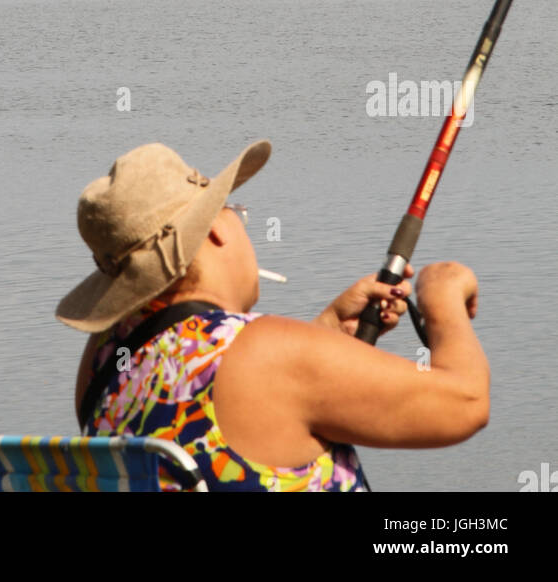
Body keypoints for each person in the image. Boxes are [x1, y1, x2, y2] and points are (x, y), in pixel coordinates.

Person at [55, 139, 489, 492]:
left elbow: (232, 405)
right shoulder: (266, 354)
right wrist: (442, 296)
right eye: (235, 211)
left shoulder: (102, 363)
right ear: (216, 231)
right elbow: (466, 403)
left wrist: (324, 336)